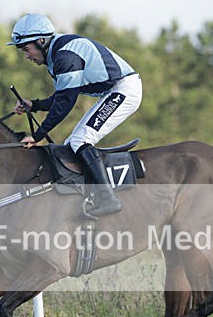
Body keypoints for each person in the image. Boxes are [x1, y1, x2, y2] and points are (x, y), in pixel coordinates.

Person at [8, 13, 142, 217]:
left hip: (124, 89)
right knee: (73, 143)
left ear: (41, 41)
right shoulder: (56, 53)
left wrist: (37, 136)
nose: (26, 56)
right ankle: (92, 196)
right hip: (113, 90)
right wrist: (33, 105)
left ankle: (108, 199)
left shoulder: (64, 57)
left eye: (27, 49)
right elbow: (62, 96)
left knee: (80, 140)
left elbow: (64, 103)